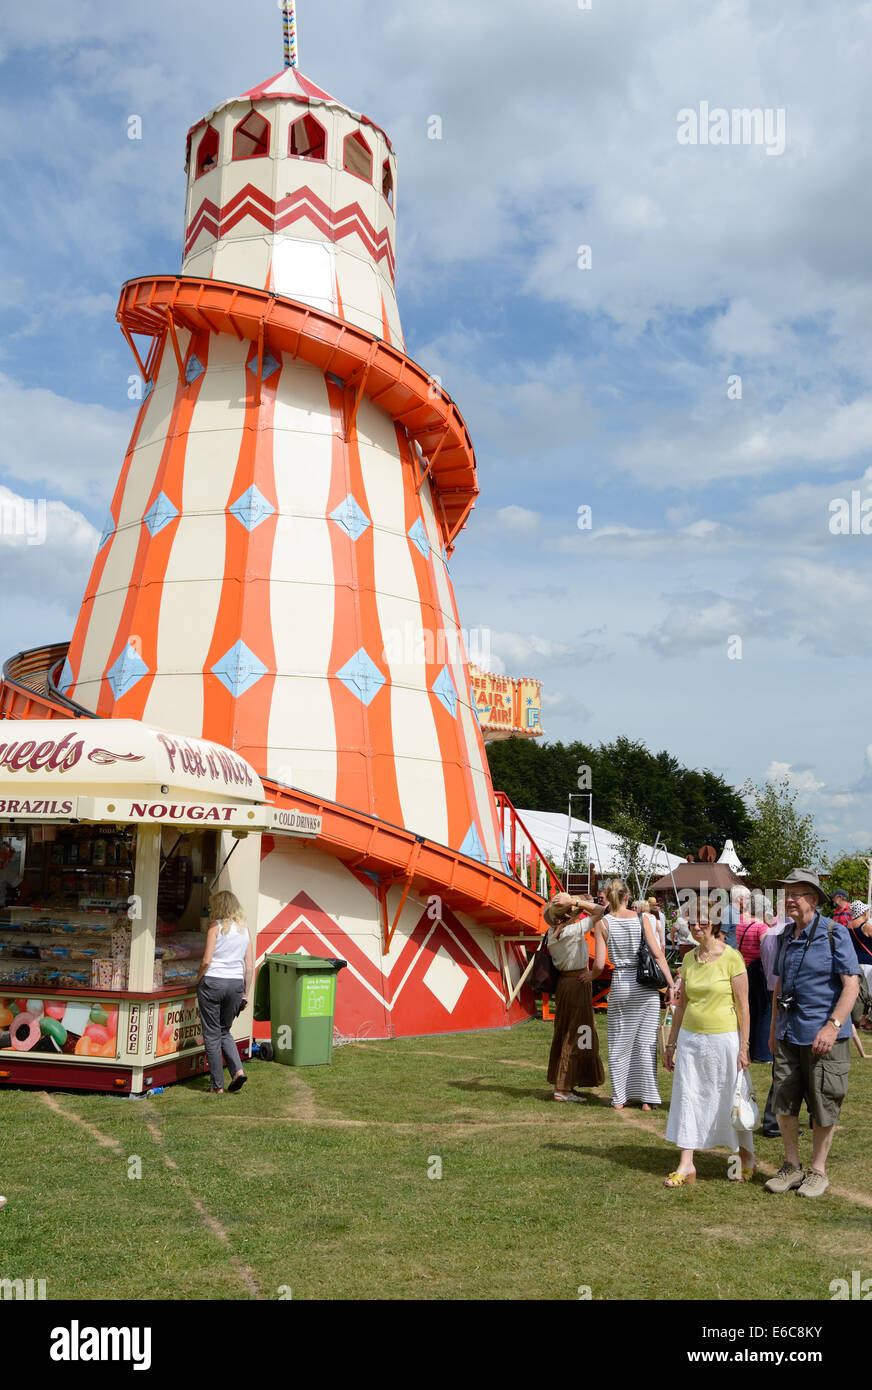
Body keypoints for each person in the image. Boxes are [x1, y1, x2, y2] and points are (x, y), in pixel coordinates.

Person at [764, 869, 859, 1199]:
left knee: (823, 1102)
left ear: (814, 899)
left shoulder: (836, 933)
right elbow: (779, 984)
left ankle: (818, 1170)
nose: (789, 899)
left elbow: (851, 985)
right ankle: (792, 1166)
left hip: (824, 1037)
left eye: (797, 893)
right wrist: (774, 1027)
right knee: (784, 1099)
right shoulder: (785, 936)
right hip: (788, 1033)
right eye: (786, 893)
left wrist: (832, 1026)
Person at [663, 913, 753, 1185]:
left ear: (714, 924)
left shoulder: (731, 957)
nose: (696, 927)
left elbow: (743, 1006)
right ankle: (686, 1163)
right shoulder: (689, 959)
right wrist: (671, 1043)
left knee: (731, 1099)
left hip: (725, 1040)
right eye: (691, 923)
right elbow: (682, 1005)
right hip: (691, 1040)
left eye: (702, 921)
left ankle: (746, 1158)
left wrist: (744, 1046)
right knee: (687, 1097)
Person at [602, 880, 676, 1111]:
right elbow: (658, 955)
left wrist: (589, 976)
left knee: (619, 1041)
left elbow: (598, 964)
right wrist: (671, 984)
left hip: (621, 983)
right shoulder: (642, 919)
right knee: (646, 1042)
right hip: (645, 986)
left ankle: (620, 1097)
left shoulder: (603, 922)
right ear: (627, 897)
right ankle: (647, 1098)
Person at [544, 892, 607, 1101]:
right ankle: (563, 1089)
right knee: (578, 1032)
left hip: (564, 984)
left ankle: (566, 1082)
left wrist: (575, 906)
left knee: (568, 1031)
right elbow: (601, 911)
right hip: (577, 982)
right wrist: (575, 902)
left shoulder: (551, 933)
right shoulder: (572, 930)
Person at [194, 890, 253, 1095]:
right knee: (224, 1030)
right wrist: (245, 994)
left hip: (213, 982)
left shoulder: (215, 927)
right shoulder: (244, 930)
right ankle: (238, 1071)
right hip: (235, 984)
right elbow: (250, 966)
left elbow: (207, 961)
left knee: (211, 1034)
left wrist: (198, 979)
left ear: (219, 907)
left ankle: (216, 1085)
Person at [737, 891, 771, 1062]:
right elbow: (767, 952)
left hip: (745, 969)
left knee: (750, 1010)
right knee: (765, 1010)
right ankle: (763, 1052)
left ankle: (749, 1048)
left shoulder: (740, 924)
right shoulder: (762, 927)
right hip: (759, 971)